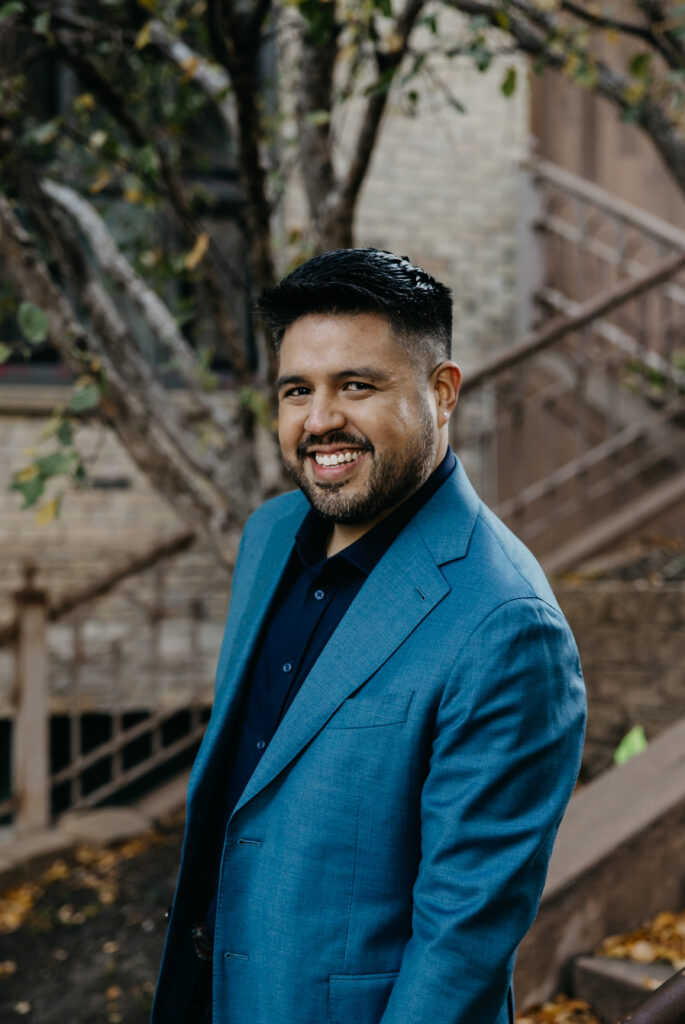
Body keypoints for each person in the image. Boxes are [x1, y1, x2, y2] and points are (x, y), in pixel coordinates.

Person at [152, 248, 586, 1024]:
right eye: (297, 390)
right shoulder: (270, 534)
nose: (319, 421)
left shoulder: (506, 625)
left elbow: (459, 948)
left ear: (441, 392)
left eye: (357, 385)